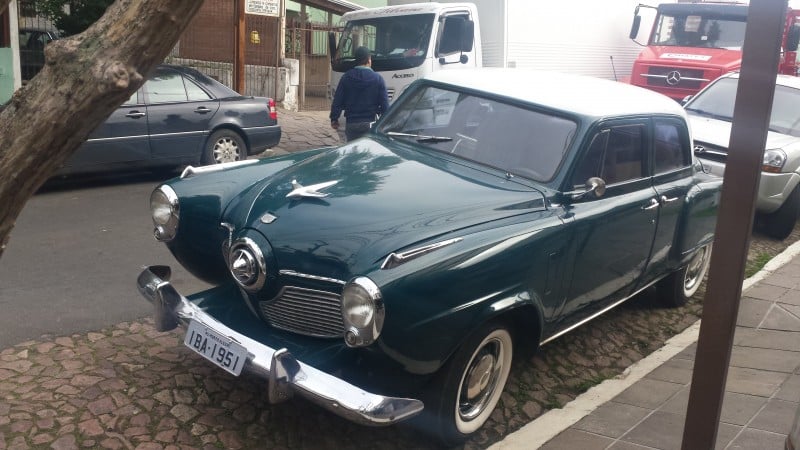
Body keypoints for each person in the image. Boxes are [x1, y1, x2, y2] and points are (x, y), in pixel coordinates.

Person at [330, 46, 390, 142]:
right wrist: (387, 122)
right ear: (369, 59)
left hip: (351, 124)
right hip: (370, 123)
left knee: (353, 148)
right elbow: (384, 104)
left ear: (356, 60)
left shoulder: (346, 77)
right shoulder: (378, 79)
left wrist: (334, 118)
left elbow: (338, 100)